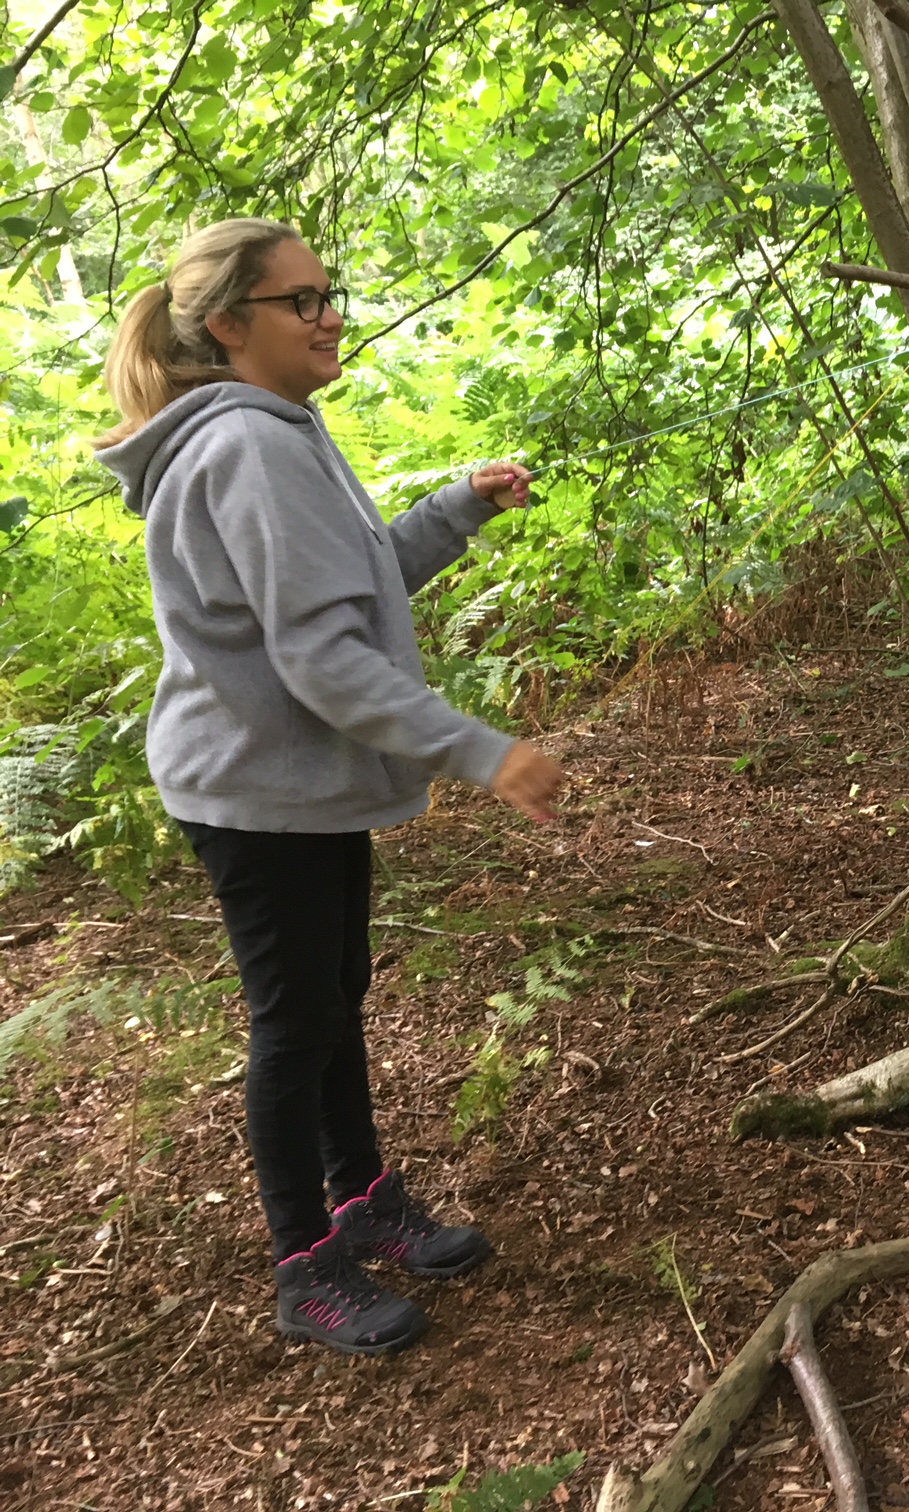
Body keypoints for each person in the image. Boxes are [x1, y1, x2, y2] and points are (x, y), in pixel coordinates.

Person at [93, 218, 566, 1356]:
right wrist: (482, 751)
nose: (329, 314)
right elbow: (320, 659)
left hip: (303, 782)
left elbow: (352, 592)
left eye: (328, 292)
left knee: (333, 992)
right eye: (300, 301)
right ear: (227, 327)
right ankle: (306, 1265)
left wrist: (457, 509)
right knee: (295, 1022)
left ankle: (364, 1198)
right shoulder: (247, 446)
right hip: (254, 792)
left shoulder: (285, 429)